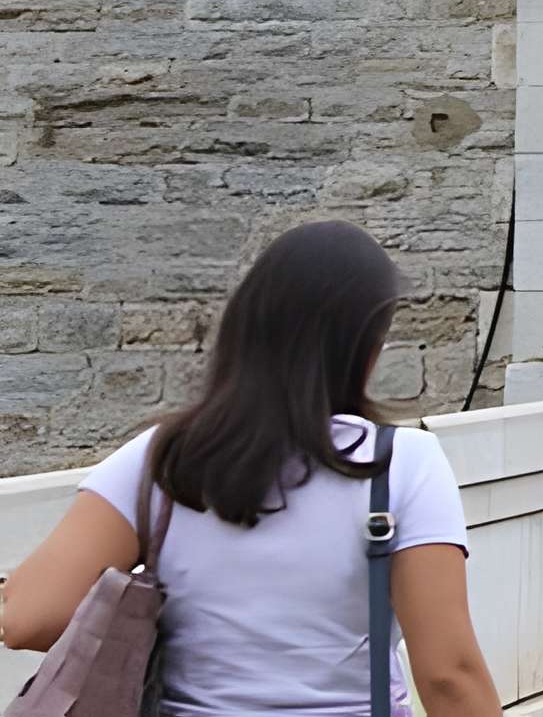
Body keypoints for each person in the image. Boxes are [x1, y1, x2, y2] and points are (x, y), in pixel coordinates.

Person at [0, 220, 502, 717]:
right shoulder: (400, 464)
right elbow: (448, 676)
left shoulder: (162, 458)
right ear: (365, 348)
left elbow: (28, 619)